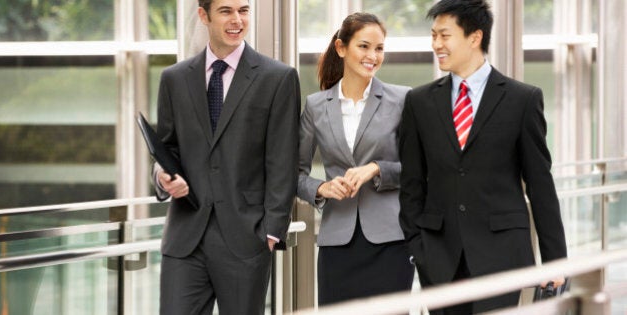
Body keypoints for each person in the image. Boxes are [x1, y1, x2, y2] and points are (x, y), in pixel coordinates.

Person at [398, 0, 567, 313]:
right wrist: (419, 249)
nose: (436, 44)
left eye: (444, 36)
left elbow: (540, 184)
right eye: (433, 36)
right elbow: (411, 184)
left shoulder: (522, 99)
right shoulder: (419, 102)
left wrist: (555, 261)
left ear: (474, 37)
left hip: (503, 257)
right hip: (440, 259)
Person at [151, 0, 300, 314]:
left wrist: (271, 232)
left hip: (247, 239)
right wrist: (163, 178)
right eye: (226, 11)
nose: (237, 20)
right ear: (203, 15)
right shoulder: (174, 79)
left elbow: (282, 160)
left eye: (243, 10)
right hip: (185, 239)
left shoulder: (278, 78)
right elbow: (167, 149)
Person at [298, 12, 414, 306]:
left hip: (391, 242)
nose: (372, 56)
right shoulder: (315, 106)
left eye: (379, 48)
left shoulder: (401, 100)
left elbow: (419, 168)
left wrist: (376, 169)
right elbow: (293, 174)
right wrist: (321, 189)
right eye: (364, 46)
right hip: (337, 242)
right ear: (341, 48)